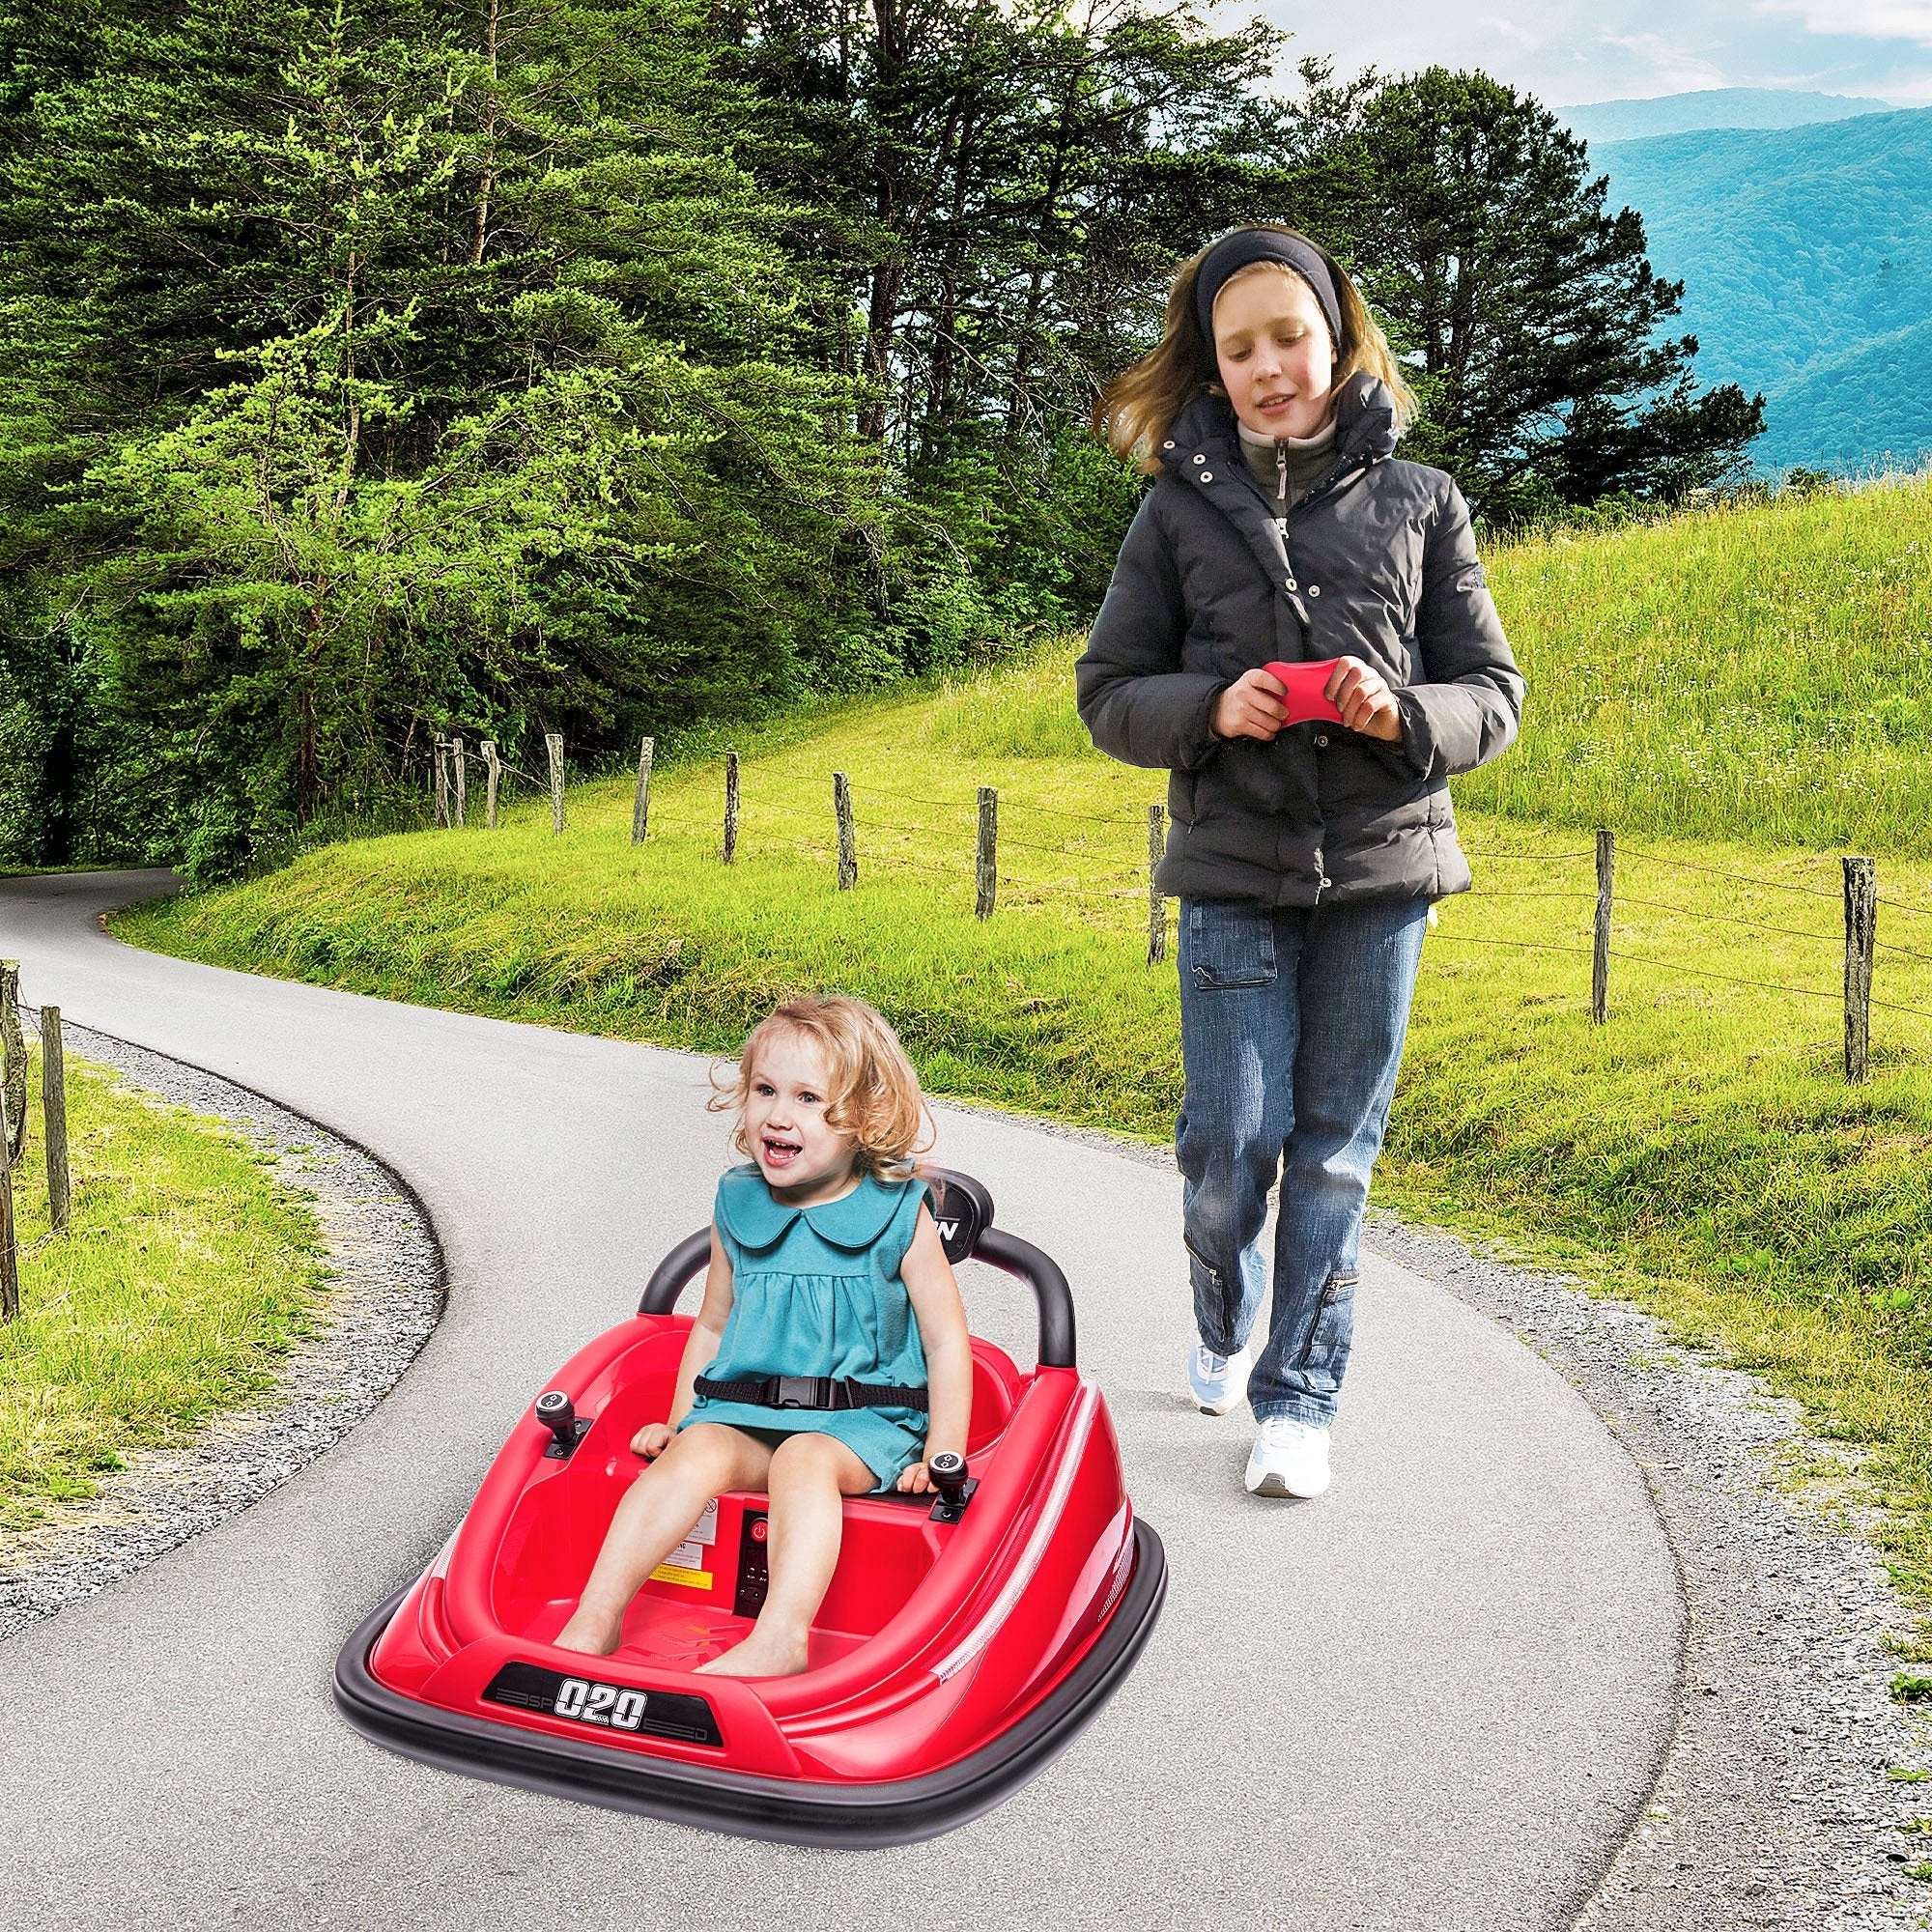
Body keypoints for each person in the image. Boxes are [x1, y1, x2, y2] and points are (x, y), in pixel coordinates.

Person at [1075, 224, 1523, 1501]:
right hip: (1230, 877)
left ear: (1338, 339)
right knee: (1228, 1147)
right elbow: (1108, 690)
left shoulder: (1422, 503)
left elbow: (1493, 693)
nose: (1271, 365)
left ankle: (1300, 1404)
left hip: (1384, 883)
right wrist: (1212, 708)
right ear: (1213, 371)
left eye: (1291, 337)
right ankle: (1225, 1314)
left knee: (1332, 1151)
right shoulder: (1172, 515)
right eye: (1241, 348)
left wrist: (1403, 714)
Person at [554, 994, 974, 1675]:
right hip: (748, 1408)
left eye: (810, 1098)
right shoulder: (738, 1201)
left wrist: (943, 1454)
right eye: (765, 1090)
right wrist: (681, 1420)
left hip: (862, 1424)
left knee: (801, 1459)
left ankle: (781, 1637)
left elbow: (948, 1344)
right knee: (695, 1454)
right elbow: (714, 1321)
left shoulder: (898, 1213)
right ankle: (594, 1619)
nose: (779, 1115)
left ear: (864, 1117)